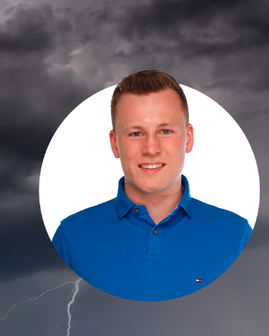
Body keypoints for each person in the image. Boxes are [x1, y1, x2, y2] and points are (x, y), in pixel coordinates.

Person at [51, 70, 252, 302]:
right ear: (115, 144)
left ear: (188, 138)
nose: (151, 148)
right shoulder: (71, 237)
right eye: (136, 133)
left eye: (165, 131)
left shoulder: (236, 235)